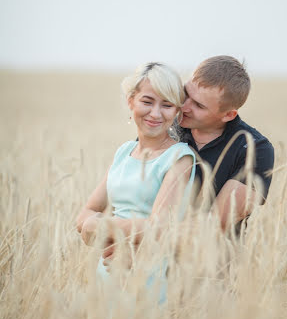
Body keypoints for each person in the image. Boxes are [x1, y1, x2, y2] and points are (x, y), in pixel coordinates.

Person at [76, 62, 196, 273]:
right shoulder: (124, 152)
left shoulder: (180, 157)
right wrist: (97, 227)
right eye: (147, 102)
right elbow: (86, 213)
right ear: (131, 101)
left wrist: (100, 226)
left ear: (177, 111)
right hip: (107, 266)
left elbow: (159, 227)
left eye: (167, 105)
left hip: (147, 271)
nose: (155, 113)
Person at [176, 55, 274, 231]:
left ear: (228, 115)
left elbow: (214, 224)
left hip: (213, 256)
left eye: (199, 105)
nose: (184, 107)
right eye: (186, 94)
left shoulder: (255, 149)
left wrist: (137, 232)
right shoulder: (167, 125)